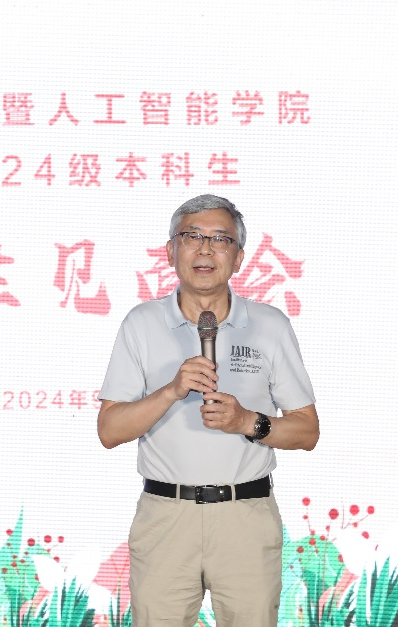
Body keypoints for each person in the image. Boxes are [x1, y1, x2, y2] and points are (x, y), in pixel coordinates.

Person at [97, 194, 319, 627]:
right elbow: (109, 430)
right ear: (170, 251)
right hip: (166, 516)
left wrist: (247, 422)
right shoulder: (140, 324)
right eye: (192, 237)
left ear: (239, 257)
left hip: (245, 516)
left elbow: (307, 431)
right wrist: (171, 391)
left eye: (220, 239)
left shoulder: (270, 325)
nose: (205, 249)